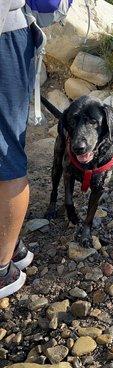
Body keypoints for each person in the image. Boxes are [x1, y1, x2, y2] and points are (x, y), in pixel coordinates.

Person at [0, 0, 36, 298]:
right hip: (12, 33)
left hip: (6, 37)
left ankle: (1, 267)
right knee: (7, 149)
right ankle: (9, 246)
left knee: (6, 155)